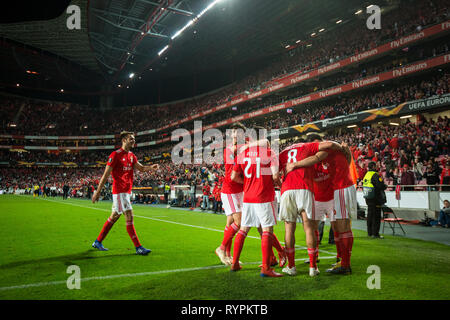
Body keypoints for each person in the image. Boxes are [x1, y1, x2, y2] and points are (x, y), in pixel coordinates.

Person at [278, 138, 344, 277]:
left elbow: (273, 175)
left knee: (289, 229)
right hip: (305, 188)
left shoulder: (283, 152)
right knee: (309, 228)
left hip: (287, 189)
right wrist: (340, 146)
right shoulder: (308, 146)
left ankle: (291, 267)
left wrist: (281, 185)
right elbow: (330, 144)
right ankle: (313, 268)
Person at [91, 131, 159, 255]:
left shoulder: (132, 155)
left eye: (134, 139)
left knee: (114, 216)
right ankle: (138, 247)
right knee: (129, 215)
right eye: (131, 139)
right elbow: (106, 175)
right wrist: (97, 192)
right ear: (124, 140)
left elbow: (141, 168)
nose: (133, 141)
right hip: (119, 191)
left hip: (126, 191)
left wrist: (151, 167)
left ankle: (98, 241)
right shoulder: (115, 155)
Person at [230, 143, 283, 277]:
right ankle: (266, 268)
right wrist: (282, 186)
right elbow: (275, 176)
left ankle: (235, 263)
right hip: (264, 196)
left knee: (243, 229)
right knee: (267, 230)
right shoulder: (270, 153)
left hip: (248, 197)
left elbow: (234, 177)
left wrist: (249, 183)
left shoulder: (242, 154)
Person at [363, 161, 387, 239]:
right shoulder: (375, 175)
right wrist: (385, 186)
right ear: (373, 167)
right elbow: (380, 185)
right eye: (375, 166)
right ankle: (375, 233)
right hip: (375, 198)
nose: (376, 167)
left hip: (368, 198)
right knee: (376, 216)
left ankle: (370, 232)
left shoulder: (366, 175)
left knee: (370, 216)